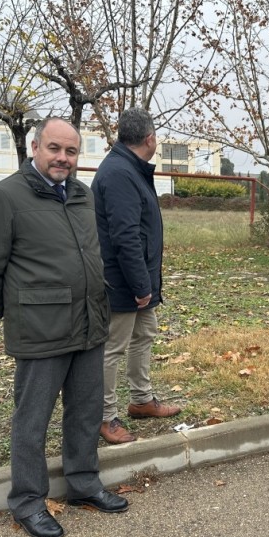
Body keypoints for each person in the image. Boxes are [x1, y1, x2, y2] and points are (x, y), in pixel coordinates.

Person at [0, 117, 128, 537]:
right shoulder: (4, 197)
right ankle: (28, 502)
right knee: (32, 420)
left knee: (87, 410)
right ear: (35, 147)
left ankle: (84, 484)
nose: (63, 158)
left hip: (89, 323)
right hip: (41, 329)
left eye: (71, 151)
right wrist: (11, 309)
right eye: (54, 148)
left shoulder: (81, 195)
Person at [91, 107, 180, 445]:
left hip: (140, 278)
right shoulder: (118, 173)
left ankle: (141, 400)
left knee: (144, 334)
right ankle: (104, 416)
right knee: (113, 347)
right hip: (123, 280)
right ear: (150, 138)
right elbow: (124, 235)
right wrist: (141, 285)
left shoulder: (130, 168)